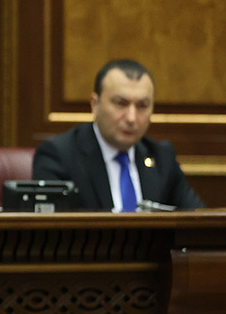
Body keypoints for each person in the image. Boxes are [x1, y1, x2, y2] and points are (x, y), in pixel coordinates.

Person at [32, 59, 204, 211]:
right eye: (121, 104)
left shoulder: (161, 157)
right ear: (95, 104)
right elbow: (53, 230)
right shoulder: (59, 156)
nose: (131, 118)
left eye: (142, 106)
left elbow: (197, 221)